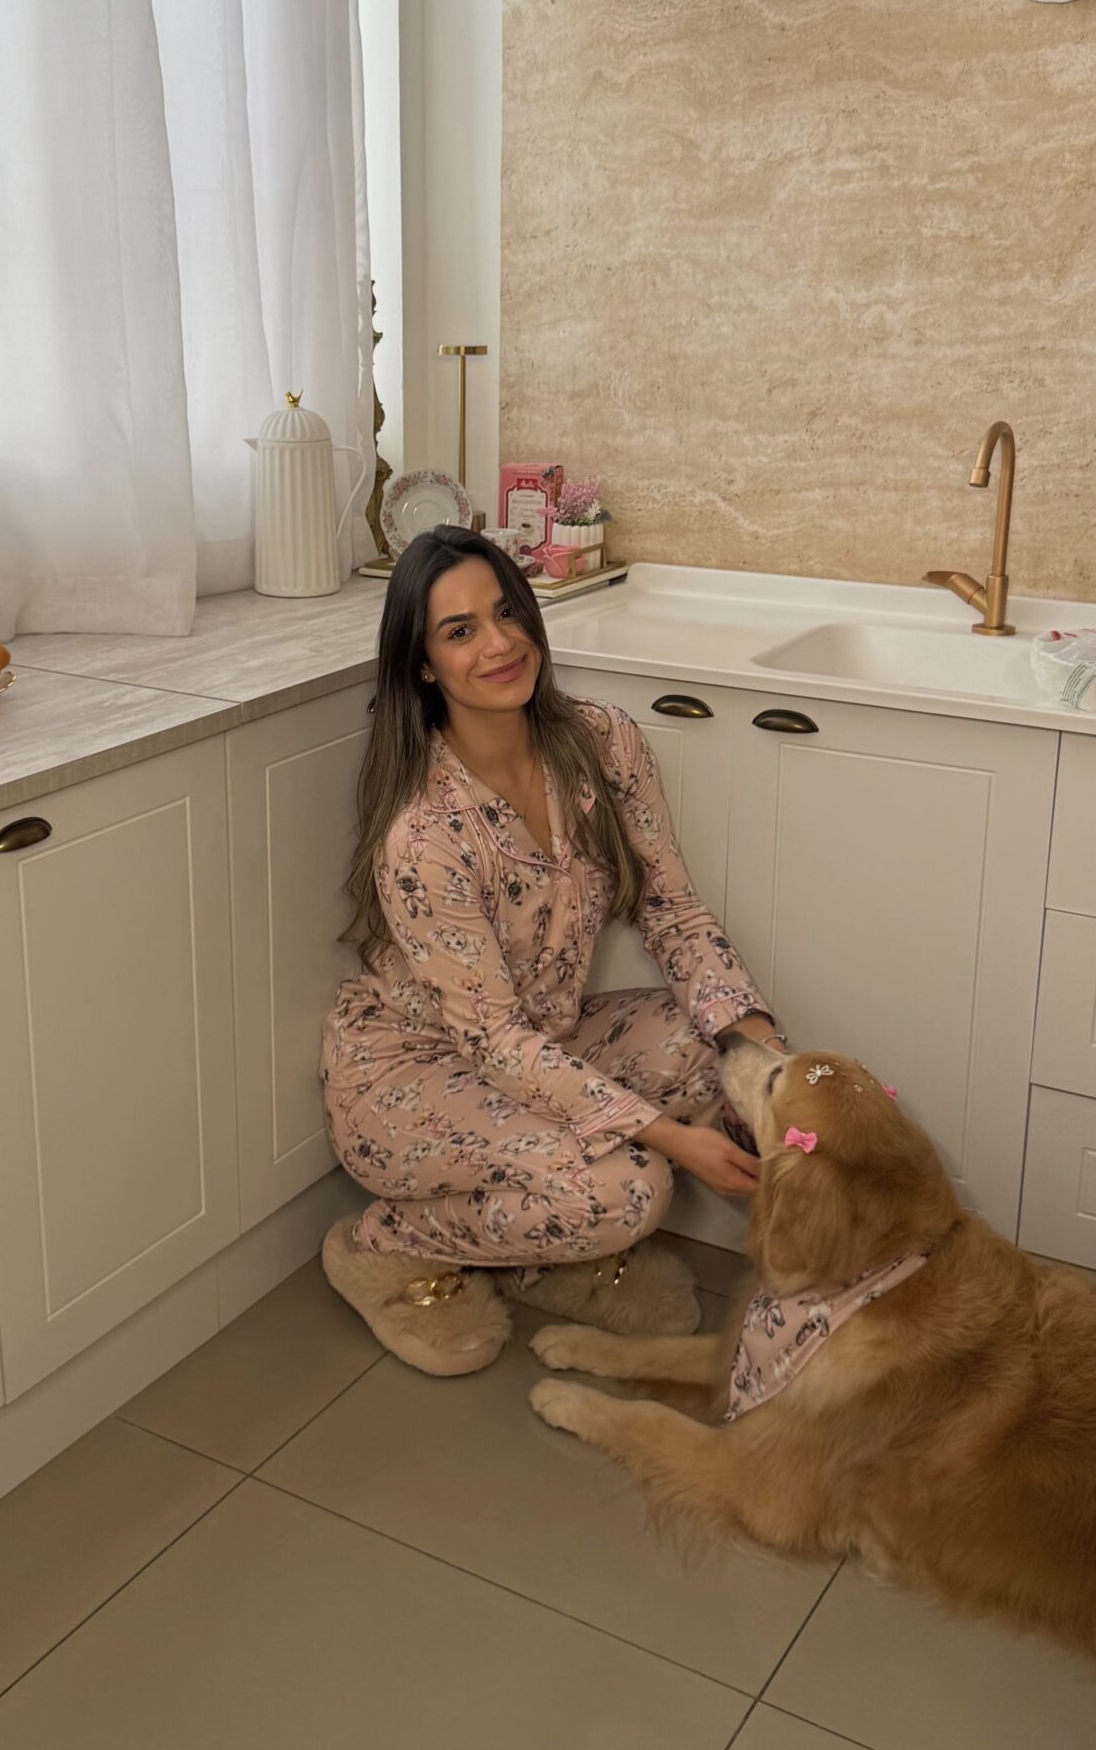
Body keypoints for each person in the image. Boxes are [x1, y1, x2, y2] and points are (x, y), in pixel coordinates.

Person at [319, 527, 785, 1375]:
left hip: (539, 1042)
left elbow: (673, 912)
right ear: (423, 665)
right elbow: (493, 1041)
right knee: (633, 1189)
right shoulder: (425, 835)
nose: (500, 644)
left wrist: (771, 1069)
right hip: (410, 1076)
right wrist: (676, 1142)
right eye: (460, 631)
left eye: (507, 613)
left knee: (719, 1054)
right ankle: (385, 1241)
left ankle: (540, 1253)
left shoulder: (603, 742)